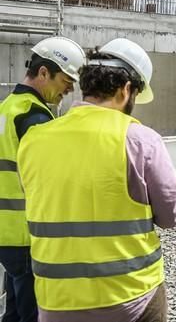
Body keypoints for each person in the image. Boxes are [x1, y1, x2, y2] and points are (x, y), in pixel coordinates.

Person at [16, 38, 176, 322]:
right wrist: (175, 192)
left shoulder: (33, 140)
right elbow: (170, 216)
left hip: (56, 300)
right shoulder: (140, 140)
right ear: (126, 89)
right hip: (132, 297)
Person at [0, 36, 86, 322]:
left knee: (13, 310)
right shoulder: (33, 117)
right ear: (44, 72)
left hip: (7, 235)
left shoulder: (7, 108)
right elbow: (51, 177)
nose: (70, 88)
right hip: (26, 234)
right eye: (66, 80)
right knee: (32, 314)